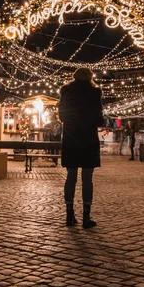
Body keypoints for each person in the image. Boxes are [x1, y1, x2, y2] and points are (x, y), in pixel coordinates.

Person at [58, 67, 104, 228]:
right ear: (90, 77)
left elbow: (62, 116)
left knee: (71, 177)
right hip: (88, 139)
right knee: (87, 179)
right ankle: (86, 217)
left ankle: (69, 215)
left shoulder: (66, 91)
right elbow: (99, 119)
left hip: (71, 138)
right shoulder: (94, 92)